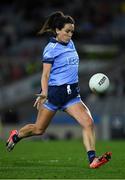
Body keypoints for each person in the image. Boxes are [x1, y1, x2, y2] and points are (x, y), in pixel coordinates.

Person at [6, 11, 112, 168]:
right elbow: (45, 75)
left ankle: (92, 159)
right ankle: (16, 135)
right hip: (55, 95)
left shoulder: (71, 43)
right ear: (57, 30)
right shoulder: (51, 48)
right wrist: (44, 92)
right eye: (67, 31)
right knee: (38, 129)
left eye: (72, 32)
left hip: (72, 96)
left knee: (88, 123)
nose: (70, 35)